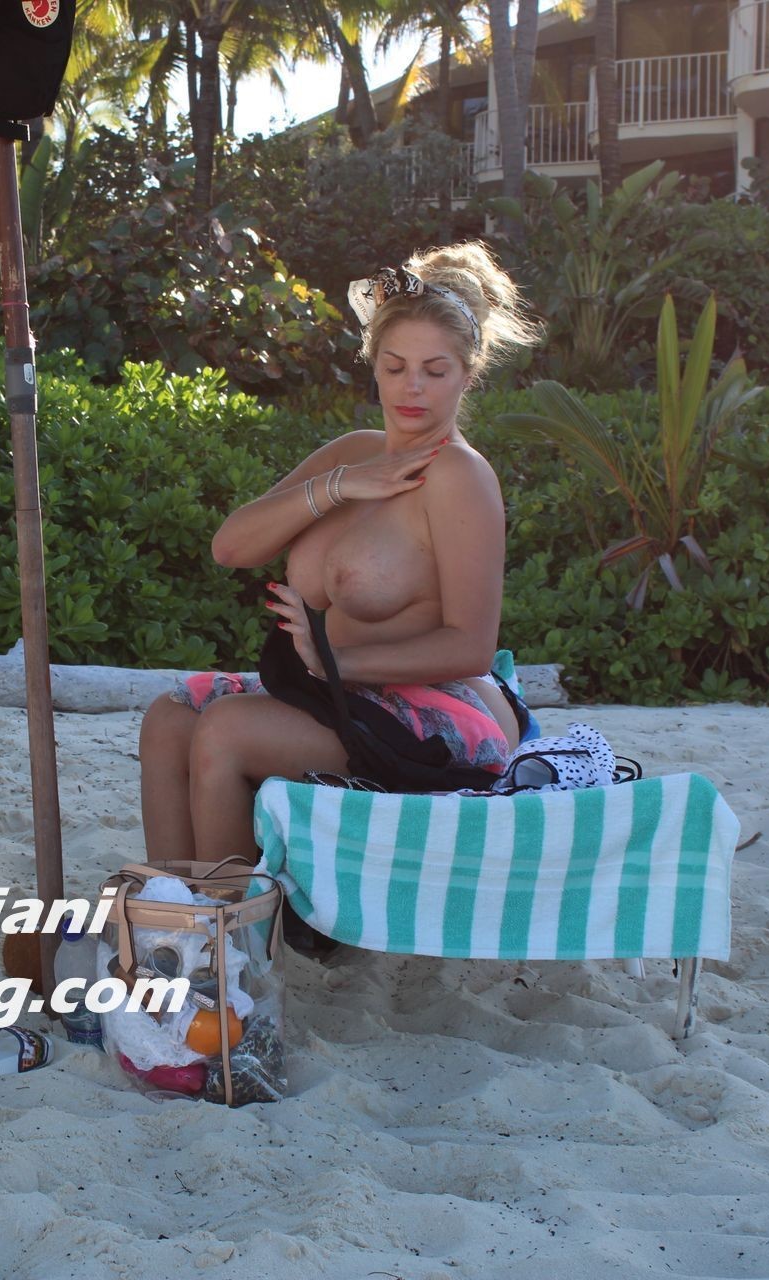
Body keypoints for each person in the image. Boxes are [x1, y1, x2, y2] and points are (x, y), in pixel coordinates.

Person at [139, 241, 544, 864]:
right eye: (394, 366)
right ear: (373, 364)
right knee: (168, 720)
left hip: (439, 706)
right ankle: (172, 902)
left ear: (468, 374)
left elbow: (470, 647)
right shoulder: (353, 452)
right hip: (333, 687)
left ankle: (232, 916)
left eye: (435, 371)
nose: (412, 387)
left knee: (225, 730)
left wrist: (333, 662)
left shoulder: (460, 476)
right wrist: (340, 485)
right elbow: (231, 547)